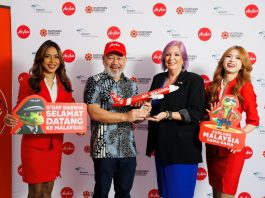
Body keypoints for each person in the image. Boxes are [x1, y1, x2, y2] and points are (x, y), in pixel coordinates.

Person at [4, 40, 75, 198]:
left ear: (60, 60)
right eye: (47, 56)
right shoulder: (29, 82)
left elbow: (71, 108)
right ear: (40, 59)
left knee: (48, 189)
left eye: (56, 57)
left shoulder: (65, 83)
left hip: (55, 145)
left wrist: (79, 125)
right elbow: (18, 109)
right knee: (35, 192)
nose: (52, 61)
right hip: (34, 145)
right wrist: (11, 118)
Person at [83, 41, 151, 198]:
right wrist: (126, 116)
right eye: (110, 57)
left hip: (127, 148)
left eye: (119, 58)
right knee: (101, 193)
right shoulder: (94, 81)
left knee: (124, 193)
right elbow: (94, 112)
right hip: (103, 148)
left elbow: (136, 119)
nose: (115, 62)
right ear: (103, 59)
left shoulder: (132, 85)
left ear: (125, 60)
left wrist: (143, 112)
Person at [146, 40, 205, 198]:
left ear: (183, 58)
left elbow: (195, 113)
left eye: (176, 54)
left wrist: (167, 114)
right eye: (168, 54)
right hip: (161, 146)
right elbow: (152, 104)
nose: (171, 58)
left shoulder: (194, 80)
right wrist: (146, 108)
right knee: (164, 193)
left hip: (182, 150)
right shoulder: (158, 78)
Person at [205, 46, 259, 198]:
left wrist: (237, 137)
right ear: (223, 60)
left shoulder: (245, 87)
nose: (232, 60)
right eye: (229, 56)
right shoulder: (211, 86)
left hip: (232, 150)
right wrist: (210, 117)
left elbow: (254, 121)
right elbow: (204, 116)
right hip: (213, 147)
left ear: (243, 65)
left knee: (226, 194)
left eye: (237, 58)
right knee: (216, 192)